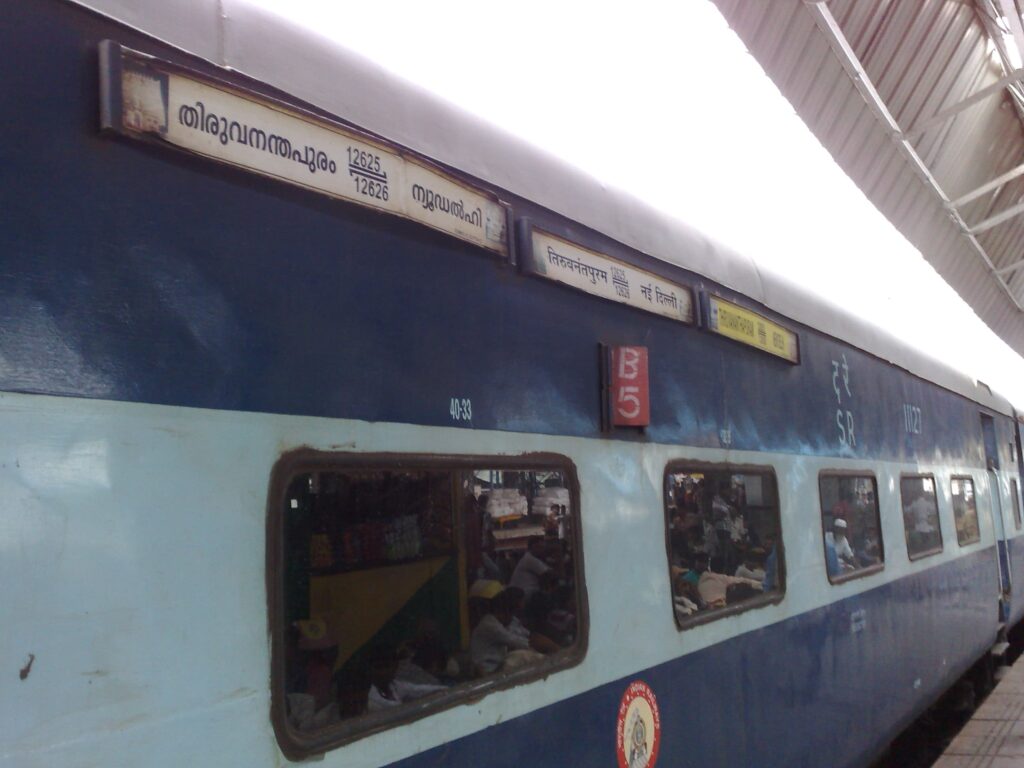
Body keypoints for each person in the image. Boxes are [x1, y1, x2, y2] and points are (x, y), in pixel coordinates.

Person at [470, 590, 540, 674]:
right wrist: (537, 645)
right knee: (522, 655)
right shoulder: (490, 626)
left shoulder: (502, 622)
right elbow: (518, 642)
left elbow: (525, 634)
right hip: (488, 671)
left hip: (498, 665)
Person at [367, 645, 446, 711]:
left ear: (395, 667)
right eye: (378, 667)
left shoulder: (395, 685)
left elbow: (420, 690)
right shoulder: (368, 693)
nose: (383, 672)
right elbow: (395, 710)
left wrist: (448, 689)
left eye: (387, 666)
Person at [691, 553, 762, 609]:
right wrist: (761, 585)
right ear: (723, 568)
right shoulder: (722, 578)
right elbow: (743, 580)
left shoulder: (701, 580)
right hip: (717, 609)